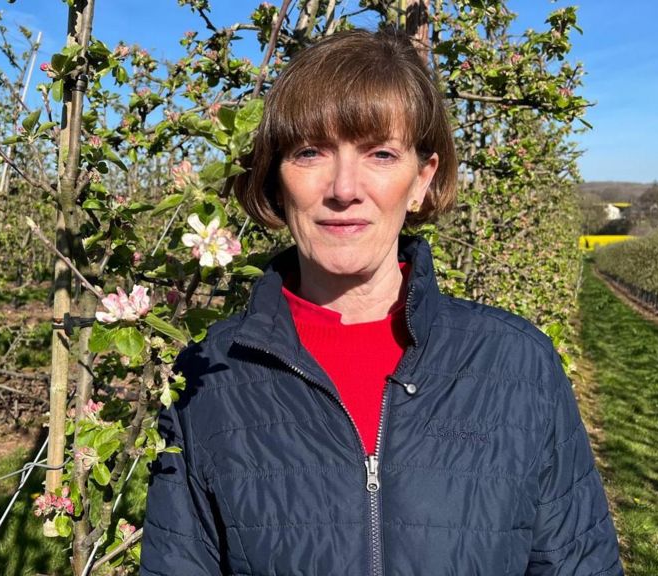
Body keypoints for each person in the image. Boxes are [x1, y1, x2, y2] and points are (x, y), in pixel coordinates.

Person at [140, 28, 622, 575]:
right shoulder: (209, 376)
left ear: (421, 180)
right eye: (310, 152)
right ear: (276, 178)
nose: (344, 188)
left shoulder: (518, 366)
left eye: (381, 154)